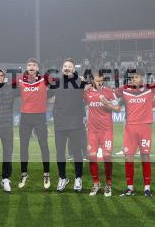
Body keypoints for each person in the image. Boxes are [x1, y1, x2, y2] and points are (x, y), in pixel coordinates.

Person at [115, 72, 155, 197]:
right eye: (131, 78)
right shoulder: (125, 91)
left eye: (136, 77)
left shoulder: (149, 89)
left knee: (145, 157)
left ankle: (147, 188)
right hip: (130, 128)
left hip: (145, 128)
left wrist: (152, 104)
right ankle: (130, 188)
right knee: (128, 157)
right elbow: (113, 93)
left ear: (142, 78)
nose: (133, 79)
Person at [49, 58, 89, 193]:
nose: (67, 68)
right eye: (65, 66)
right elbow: (44, 95)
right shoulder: (56, 82)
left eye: (69, 67)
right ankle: (62, 178)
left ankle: (78, 178)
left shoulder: (80, 81)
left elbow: (91, 89)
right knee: (60, 153)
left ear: (73, 69)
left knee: (77, 152)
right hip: (60, 122)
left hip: (75, 122)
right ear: (62, 68)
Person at [83, 70, 120, 197]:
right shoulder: (87, 93)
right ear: (92, 80)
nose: (99, 82)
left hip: (106, 130)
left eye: (101, 80)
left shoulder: (109, 92)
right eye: (97, 80)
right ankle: (96, 184)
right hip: (92, 131)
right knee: (92, 156)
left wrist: (107, 103)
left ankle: (108, 184)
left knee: (107, 156)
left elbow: (118, 109)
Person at [17, 58, 51, 189]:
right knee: (23, 147)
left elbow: (60, 85)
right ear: (27, 67)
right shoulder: (20, 79)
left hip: (40, 116)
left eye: (34, 65)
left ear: (37, 68)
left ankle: (46, 174)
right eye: (29, 64)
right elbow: (6, 87)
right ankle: (24, 173)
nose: (31, 67)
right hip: (25, 117)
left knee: (44, 146)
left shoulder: (45, 79)